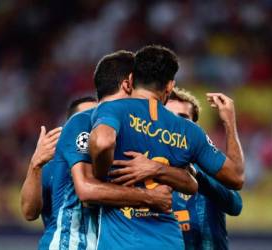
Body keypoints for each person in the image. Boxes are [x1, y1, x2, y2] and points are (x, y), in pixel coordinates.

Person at [89, 45, 244, 250]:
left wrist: (100, 173)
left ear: (131, 79)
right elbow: (236, 176)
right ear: (170, 86)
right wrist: (229, 123)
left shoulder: (112, 110)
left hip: (123, 241)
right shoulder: (188, 131)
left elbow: (102, 142)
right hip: (168, 241)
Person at [36, 50, 174, 250]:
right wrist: (151, 197)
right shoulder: (85, 121)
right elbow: (86, 190)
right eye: (141, 83)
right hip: (74, 244)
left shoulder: (128, 128)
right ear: (129, 82)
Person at [168, 88, 243, 249]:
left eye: (183, 118)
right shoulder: (145, 166)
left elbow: (235, 205)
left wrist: (198, 177)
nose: (175, 123)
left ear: (194, 128)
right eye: (168, 116)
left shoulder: (209, 166)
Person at [20, 96, 97, 238]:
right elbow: (29, 213)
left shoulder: (114, 163)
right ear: (71, 127)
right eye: (85, 120)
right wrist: (35, 165)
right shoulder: (52, 165)